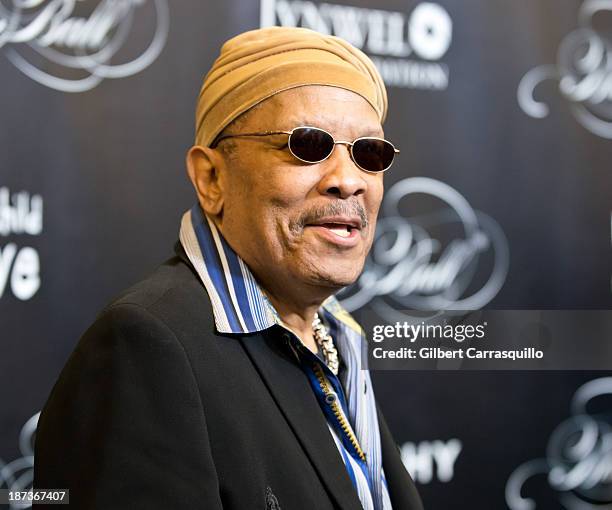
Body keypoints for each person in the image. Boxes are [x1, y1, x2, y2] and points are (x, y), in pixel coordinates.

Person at [33, 26, 423, 510]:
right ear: (211, 177)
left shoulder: (340, 335)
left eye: (369, 154)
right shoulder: (147, 345)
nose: (347, 181)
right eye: (306, 145)